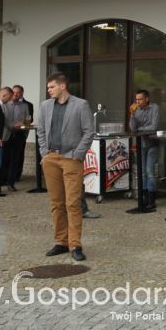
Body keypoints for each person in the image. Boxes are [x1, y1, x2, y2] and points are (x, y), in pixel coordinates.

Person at [36, 73, 95, 262]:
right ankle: (60, 242)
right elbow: (41, 130)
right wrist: (45, 153)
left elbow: (88, 132)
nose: (49, 90)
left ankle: (75, 245)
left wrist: (78, 155)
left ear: (63, 86)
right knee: (56, 203)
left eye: (51, 87)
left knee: (73, 203)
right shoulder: (45, 106)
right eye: (48, 88)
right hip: (51, 158)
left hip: (71, 159)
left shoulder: (81, 104)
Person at [128, 89, 161, 210]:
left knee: (149, 171)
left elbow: (154, 127)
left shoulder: (154, 108)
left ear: (147, 98)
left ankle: (152, 200)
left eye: (140, 99)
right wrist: (132, 115)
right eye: (136, 99)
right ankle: (144, 198)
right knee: (142, 171)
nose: (138, 102)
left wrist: (140, 128)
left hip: (152, 143)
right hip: (141, 144)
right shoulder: (136, 110)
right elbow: (132, 128)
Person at [4, 85, 33, 189]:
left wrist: (24, 127)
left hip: (19, 136)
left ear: (21, 94)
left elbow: (27, 120)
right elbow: (3, 121)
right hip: (6, 135)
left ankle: (11, 183)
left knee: (15, 160)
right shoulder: (5, 104)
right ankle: (2, 180)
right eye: (14, 92)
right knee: (4, 159)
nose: (16, 94)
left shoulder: (24, 106)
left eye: (18, 93)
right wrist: (13, 125)